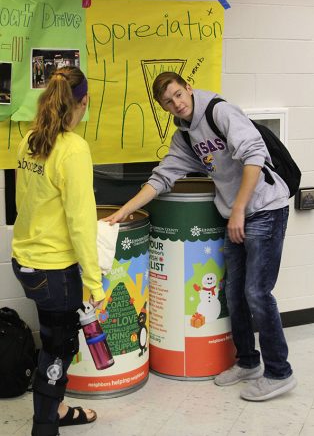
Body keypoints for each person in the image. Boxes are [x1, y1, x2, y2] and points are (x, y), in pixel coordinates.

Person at [105, 71, 297, 402]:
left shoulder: (218, 111)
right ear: (163, 107)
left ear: (189, 89)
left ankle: (280, 372)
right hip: (236, 215)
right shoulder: (185, 137)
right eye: (168, 101)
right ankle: (248, 362)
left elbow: (254, 157)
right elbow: (162, 178)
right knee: (233, 293)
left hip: (266, 208)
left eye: (179, 94)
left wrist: (238, 210)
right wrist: (124, 210)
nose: (177, 103)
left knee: (257, 292)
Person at [11, 66, 105, 436]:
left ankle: (59, 408)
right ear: (83, 102)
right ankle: (44, 427)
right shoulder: (73, 149)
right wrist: (95, 283)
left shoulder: (30, 139)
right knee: (59, 348)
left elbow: (22, 200)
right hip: (55, 271)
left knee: (51, 337)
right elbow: (82, 221)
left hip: (27, 263)